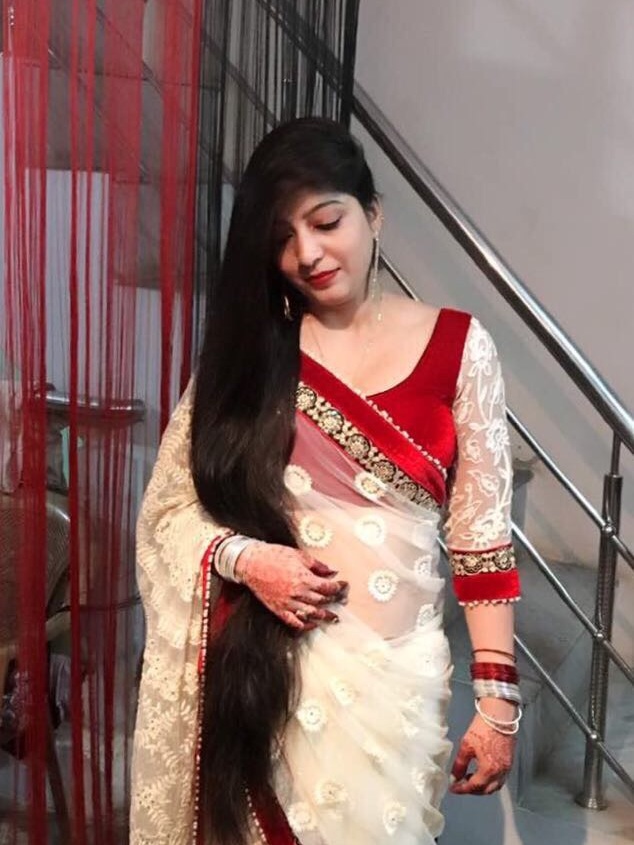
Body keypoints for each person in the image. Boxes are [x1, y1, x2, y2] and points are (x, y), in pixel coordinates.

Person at [130, 118, 522, 845]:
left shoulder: (461, 347)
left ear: (373, 214)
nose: (307, 253)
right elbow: (168, 511)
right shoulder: (252, 357)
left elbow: (481, 539)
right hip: (268, 676)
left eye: (326, 221)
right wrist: (248, 559)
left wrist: (497, 703)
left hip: (396, 683)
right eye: (283, 236)